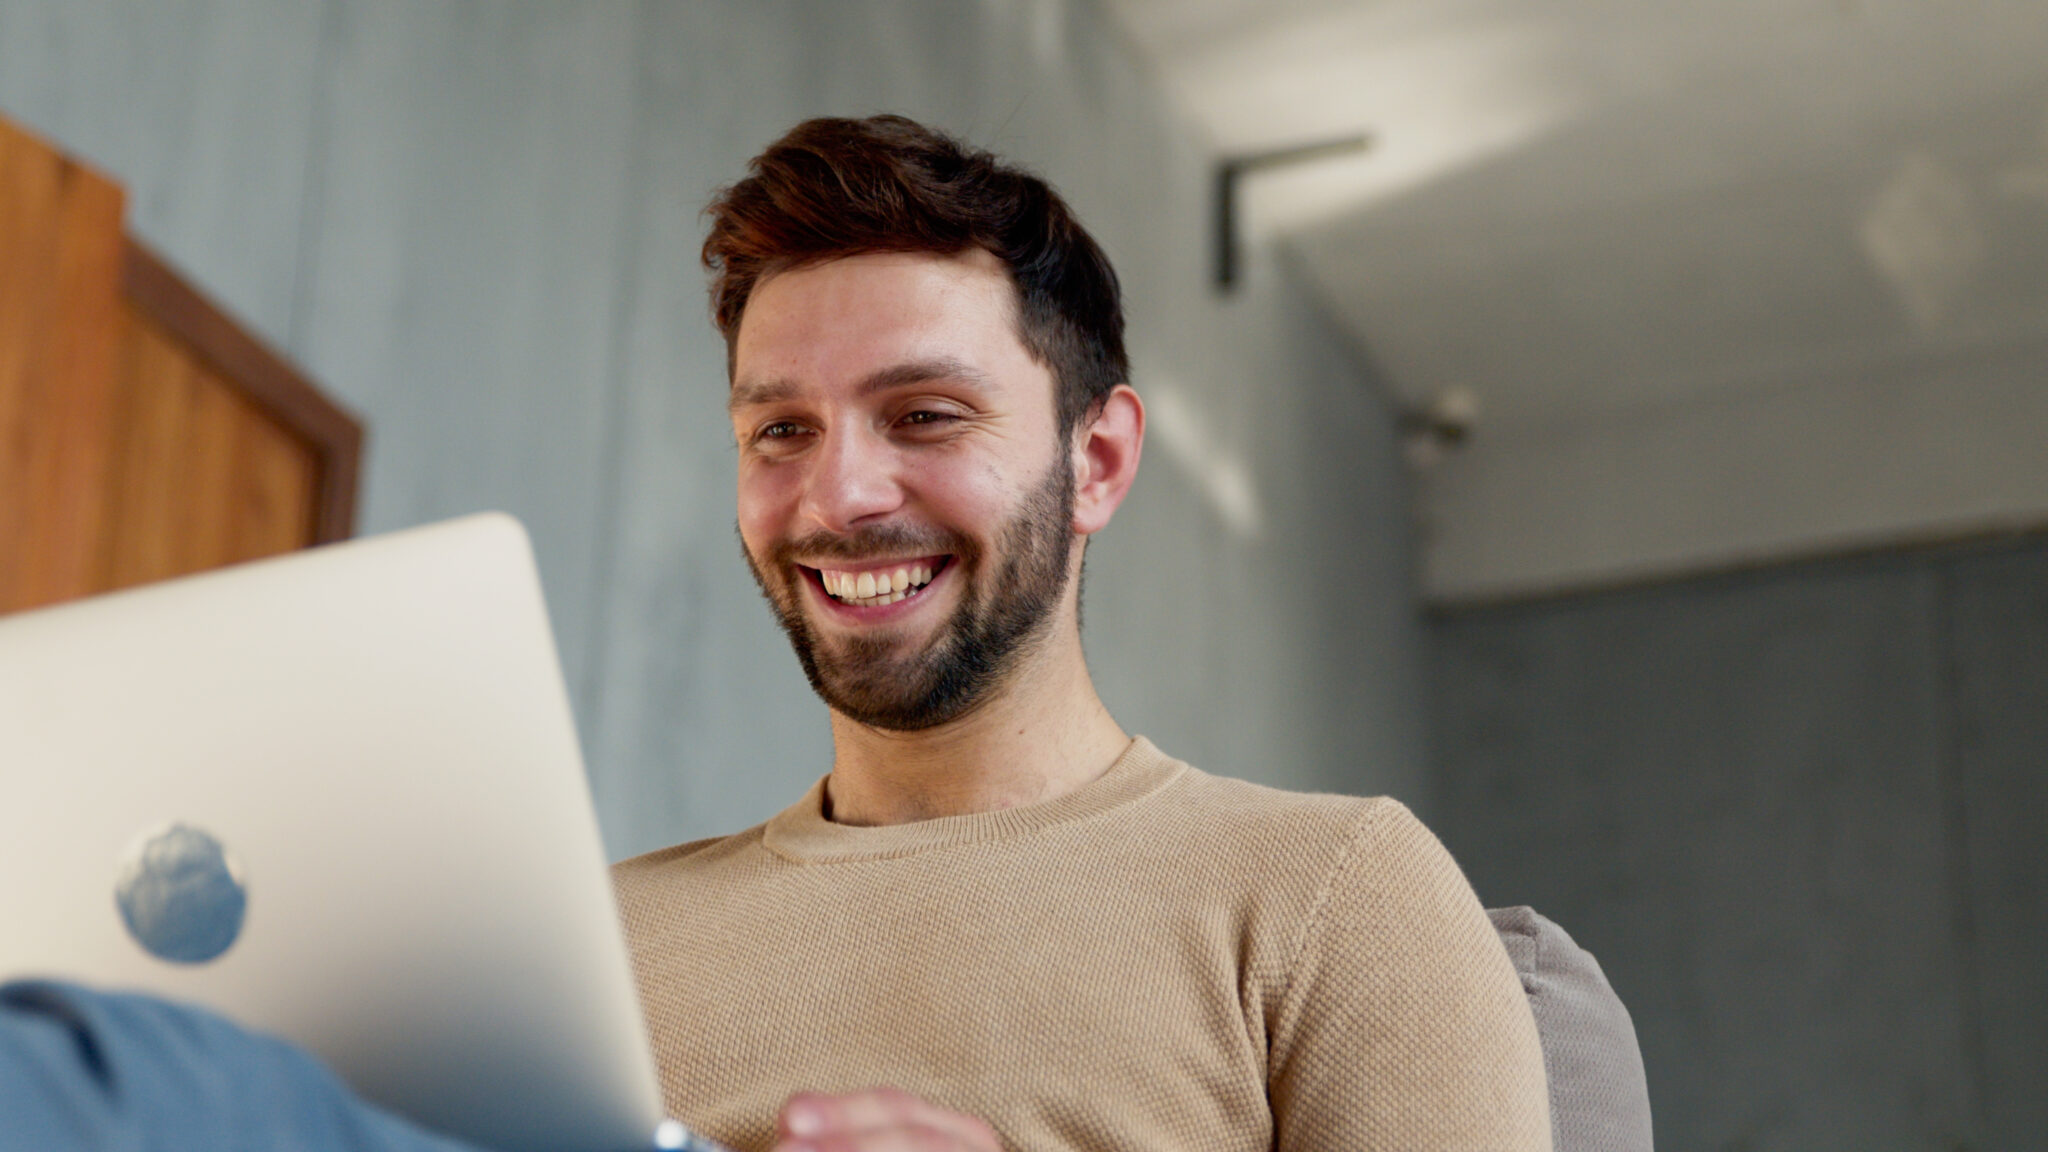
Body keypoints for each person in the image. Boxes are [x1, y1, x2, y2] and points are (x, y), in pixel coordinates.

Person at [611, 115, 1551, 1152]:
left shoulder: (1334, 893)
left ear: (1095, 462)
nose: (838, 496)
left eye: (925, 414)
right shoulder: (594, 948)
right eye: (780, 431)